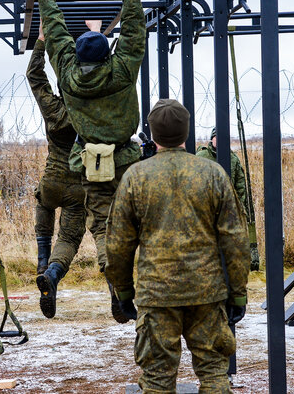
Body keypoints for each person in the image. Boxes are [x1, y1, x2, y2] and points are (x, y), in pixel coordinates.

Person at [106, 99, 250, 393]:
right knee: (213, 373)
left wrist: (122, 291)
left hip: (157, 295)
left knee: (157, 378)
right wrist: (237, 294)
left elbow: (118, 243)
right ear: (185, 132)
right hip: (207, 293)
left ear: (153, 134)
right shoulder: (213, 174)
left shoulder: (135, 177)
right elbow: (236, 239)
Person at [37, 0, 145, 323]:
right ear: (107, 55)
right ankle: (121, 284)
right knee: (131, 222)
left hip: (91, 163)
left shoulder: (68, 78)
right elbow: (133, 37)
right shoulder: (122, 71)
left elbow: (56, 40)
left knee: (100, 226)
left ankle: (113, 279)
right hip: (127, 159)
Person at [28, 19, 87, 318]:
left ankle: (41, 259)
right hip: (80, 183)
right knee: (68, 238)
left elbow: (34, 76)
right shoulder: (89, 107)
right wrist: (95, 36)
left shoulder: (55, 109)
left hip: (53, 178)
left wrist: (41, 42)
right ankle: (51, 272)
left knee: (43, 200)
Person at [197, 127, 259, 271]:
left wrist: (239, 209)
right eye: (216, 137)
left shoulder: (233, 159)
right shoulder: (201, 156)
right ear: (212, 139)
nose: (219, 141)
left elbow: (240, 187)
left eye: (223, 138)